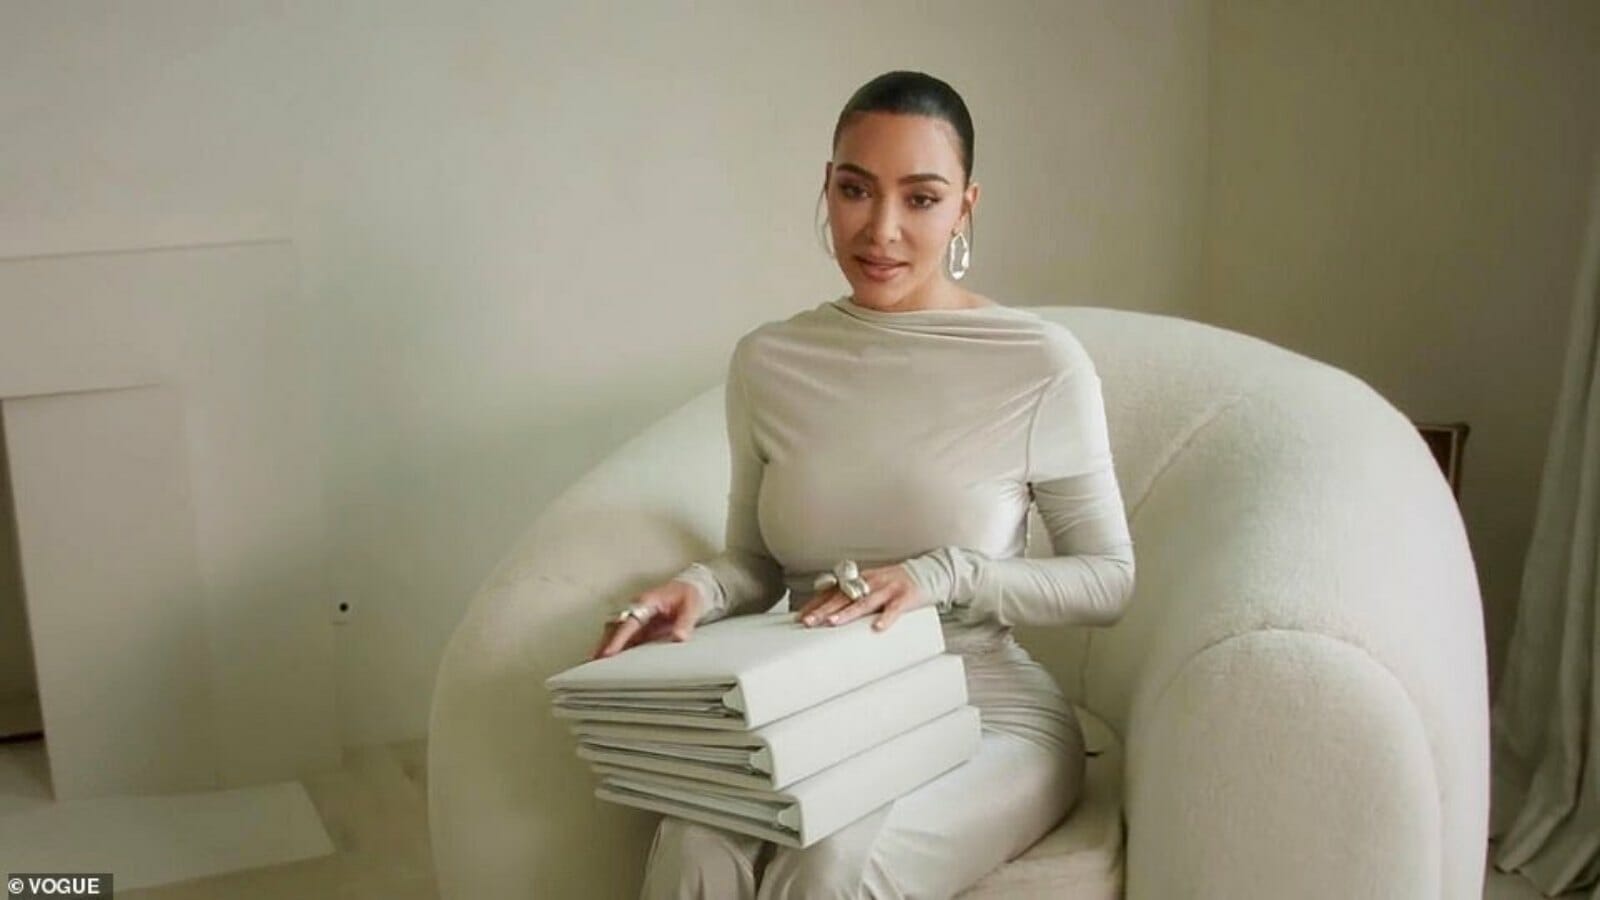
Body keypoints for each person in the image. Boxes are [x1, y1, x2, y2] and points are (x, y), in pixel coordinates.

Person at [590, 70, 1136, 899]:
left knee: (833, 867)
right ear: (828, 189)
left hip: (981, 704)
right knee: (692, 846)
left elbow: (1108, 579)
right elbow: (758, 563)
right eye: (856, 190)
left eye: (921, 199)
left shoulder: (1038, 363)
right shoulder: (769, 361)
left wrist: (941, 575)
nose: (880, 231)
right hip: (812, 698)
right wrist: (697, 589)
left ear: (965, 207)